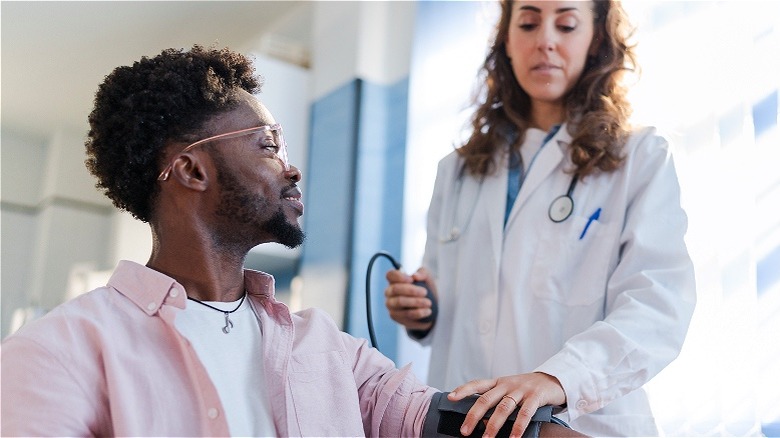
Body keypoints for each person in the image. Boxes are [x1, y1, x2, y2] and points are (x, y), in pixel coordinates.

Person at [0, 45, 583, 438]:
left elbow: (443, 417)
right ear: (192, 171)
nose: (292, 167)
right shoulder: (59, 352)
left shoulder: (328, 348)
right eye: (269, 143)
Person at [385, 1, 696, 436]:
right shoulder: (454, 171)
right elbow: (454, 300)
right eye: (528, 23)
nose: (545, 40)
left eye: (566, 24)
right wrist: (422, 312)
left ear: (596, 41)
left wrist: (559, 378)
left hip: (582, 424)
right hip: (467, 417)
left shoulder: (639, 157)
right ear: (507, 42)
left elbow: (658, 305)